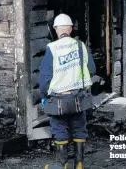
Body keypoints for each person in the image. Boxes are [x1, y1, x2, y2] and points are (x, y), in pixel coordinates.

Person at [39, 14, 96, 169]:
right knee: (79, 129)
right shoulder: (81, 46)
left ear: (56, 29)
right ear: (70, 29)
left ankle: (62, 165)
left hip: (58, 101)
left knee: (60, 130)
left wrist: (44, 95)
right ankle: (79, 164)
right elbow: (91, 70)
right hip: (79, 98)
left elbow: (45, 77)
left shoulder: (52, 48)